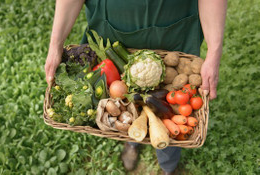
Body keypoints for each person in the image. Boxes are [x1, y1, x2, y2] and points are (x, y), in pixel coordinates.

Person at [45, 0, 227, 174]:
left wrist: (214, 52)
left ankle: (168, 165)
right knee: (127, 107)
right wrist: (55, 45)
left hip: (173, 33)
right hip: (113, 34)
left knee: (171, 114)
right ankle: (132, 139)